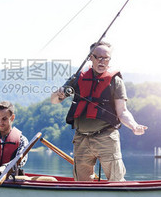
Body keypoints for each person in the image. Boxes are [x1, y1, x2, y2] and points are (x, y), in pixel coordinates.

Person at [51, 41, 147, 182]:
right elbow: (54, 100)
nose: (102, 61)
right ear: (91, 57)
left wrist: (134, 126)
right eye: (98, 57)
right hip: (81, 139)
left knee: (116, 180)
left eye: (106, 58)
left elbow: (123, 111)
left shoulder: (116, 81)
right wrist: (57, 94)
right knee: (81, 184)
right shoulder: (77, 78)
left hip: (106, 138)